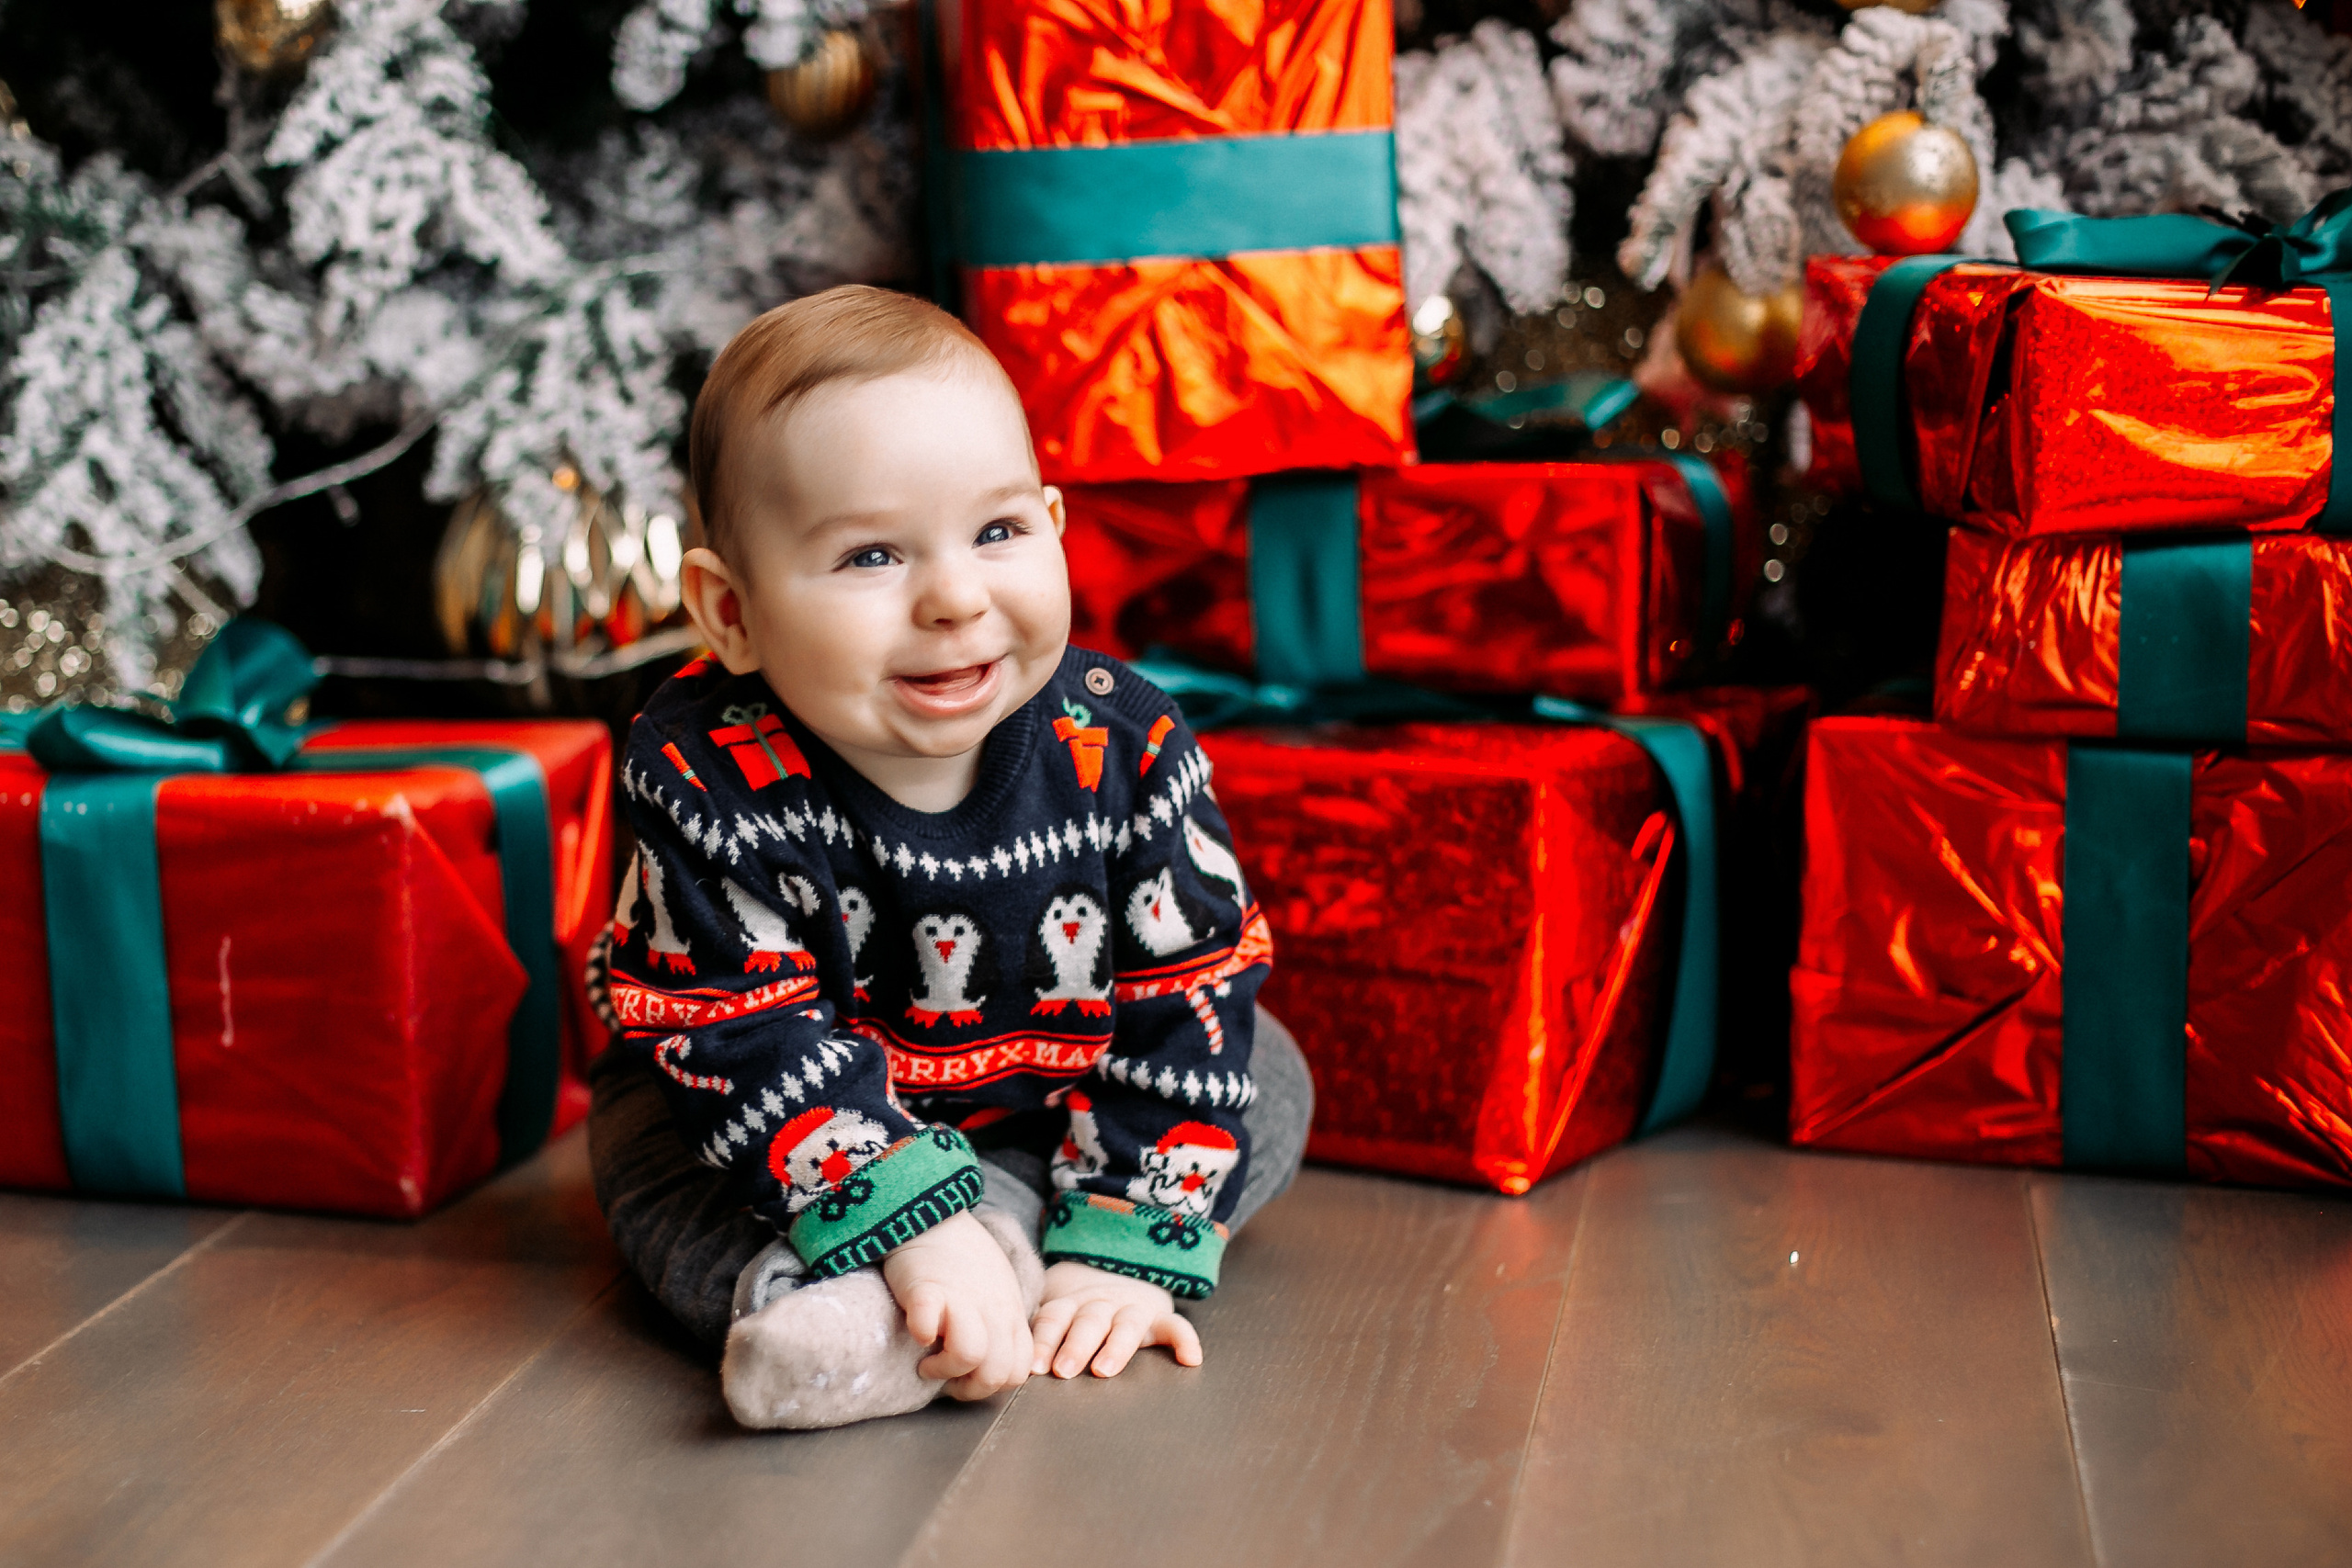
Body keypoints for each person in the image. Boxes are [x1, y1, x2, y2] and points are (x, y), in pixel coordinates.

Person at [586, 285, 1312, 1430]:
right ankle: (818, 1314)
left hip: (1047, 1098)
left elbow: (1189, 992)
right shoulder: (707, 773)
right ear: (730, 613)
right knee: (644, 1137)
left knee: (1264, 1067)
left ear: (1056, 528)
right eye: (872, 554)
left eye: (999, 532)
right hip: (776, 1112)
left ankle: (1032, 1244)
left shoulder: (1126, 745)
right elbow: (735, 1029)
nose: (956, 598)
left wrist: (1130, 1242)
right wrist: (908, 1219)